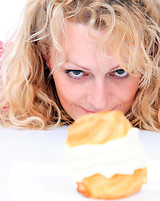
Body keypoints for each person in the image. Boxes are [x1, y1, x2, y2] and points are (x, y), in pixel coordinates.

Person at [0, 0, 160, 131]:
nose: (100, 102)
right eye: (76, 72)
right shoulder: (8, 84)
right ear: (45, 57)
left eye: (120, 72)